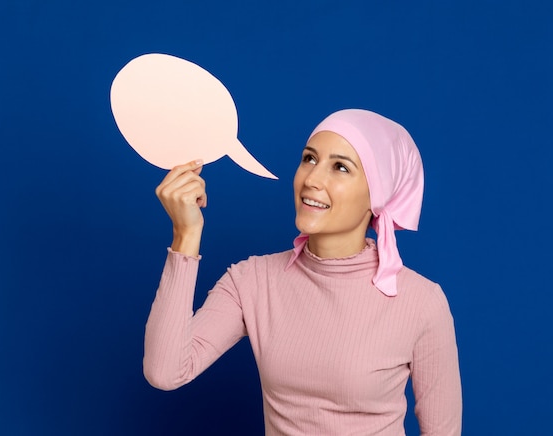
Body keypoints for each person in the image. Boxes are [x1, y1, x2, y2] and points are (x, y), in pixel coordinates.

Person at [143, 109, 462, 435]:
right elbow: (166, 372)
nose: (312, 179)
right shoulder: (252, 280)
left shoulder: (421, 301)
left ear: (378, 194)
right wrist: (186, 235)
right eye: (309, 159)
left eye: (340, 167)